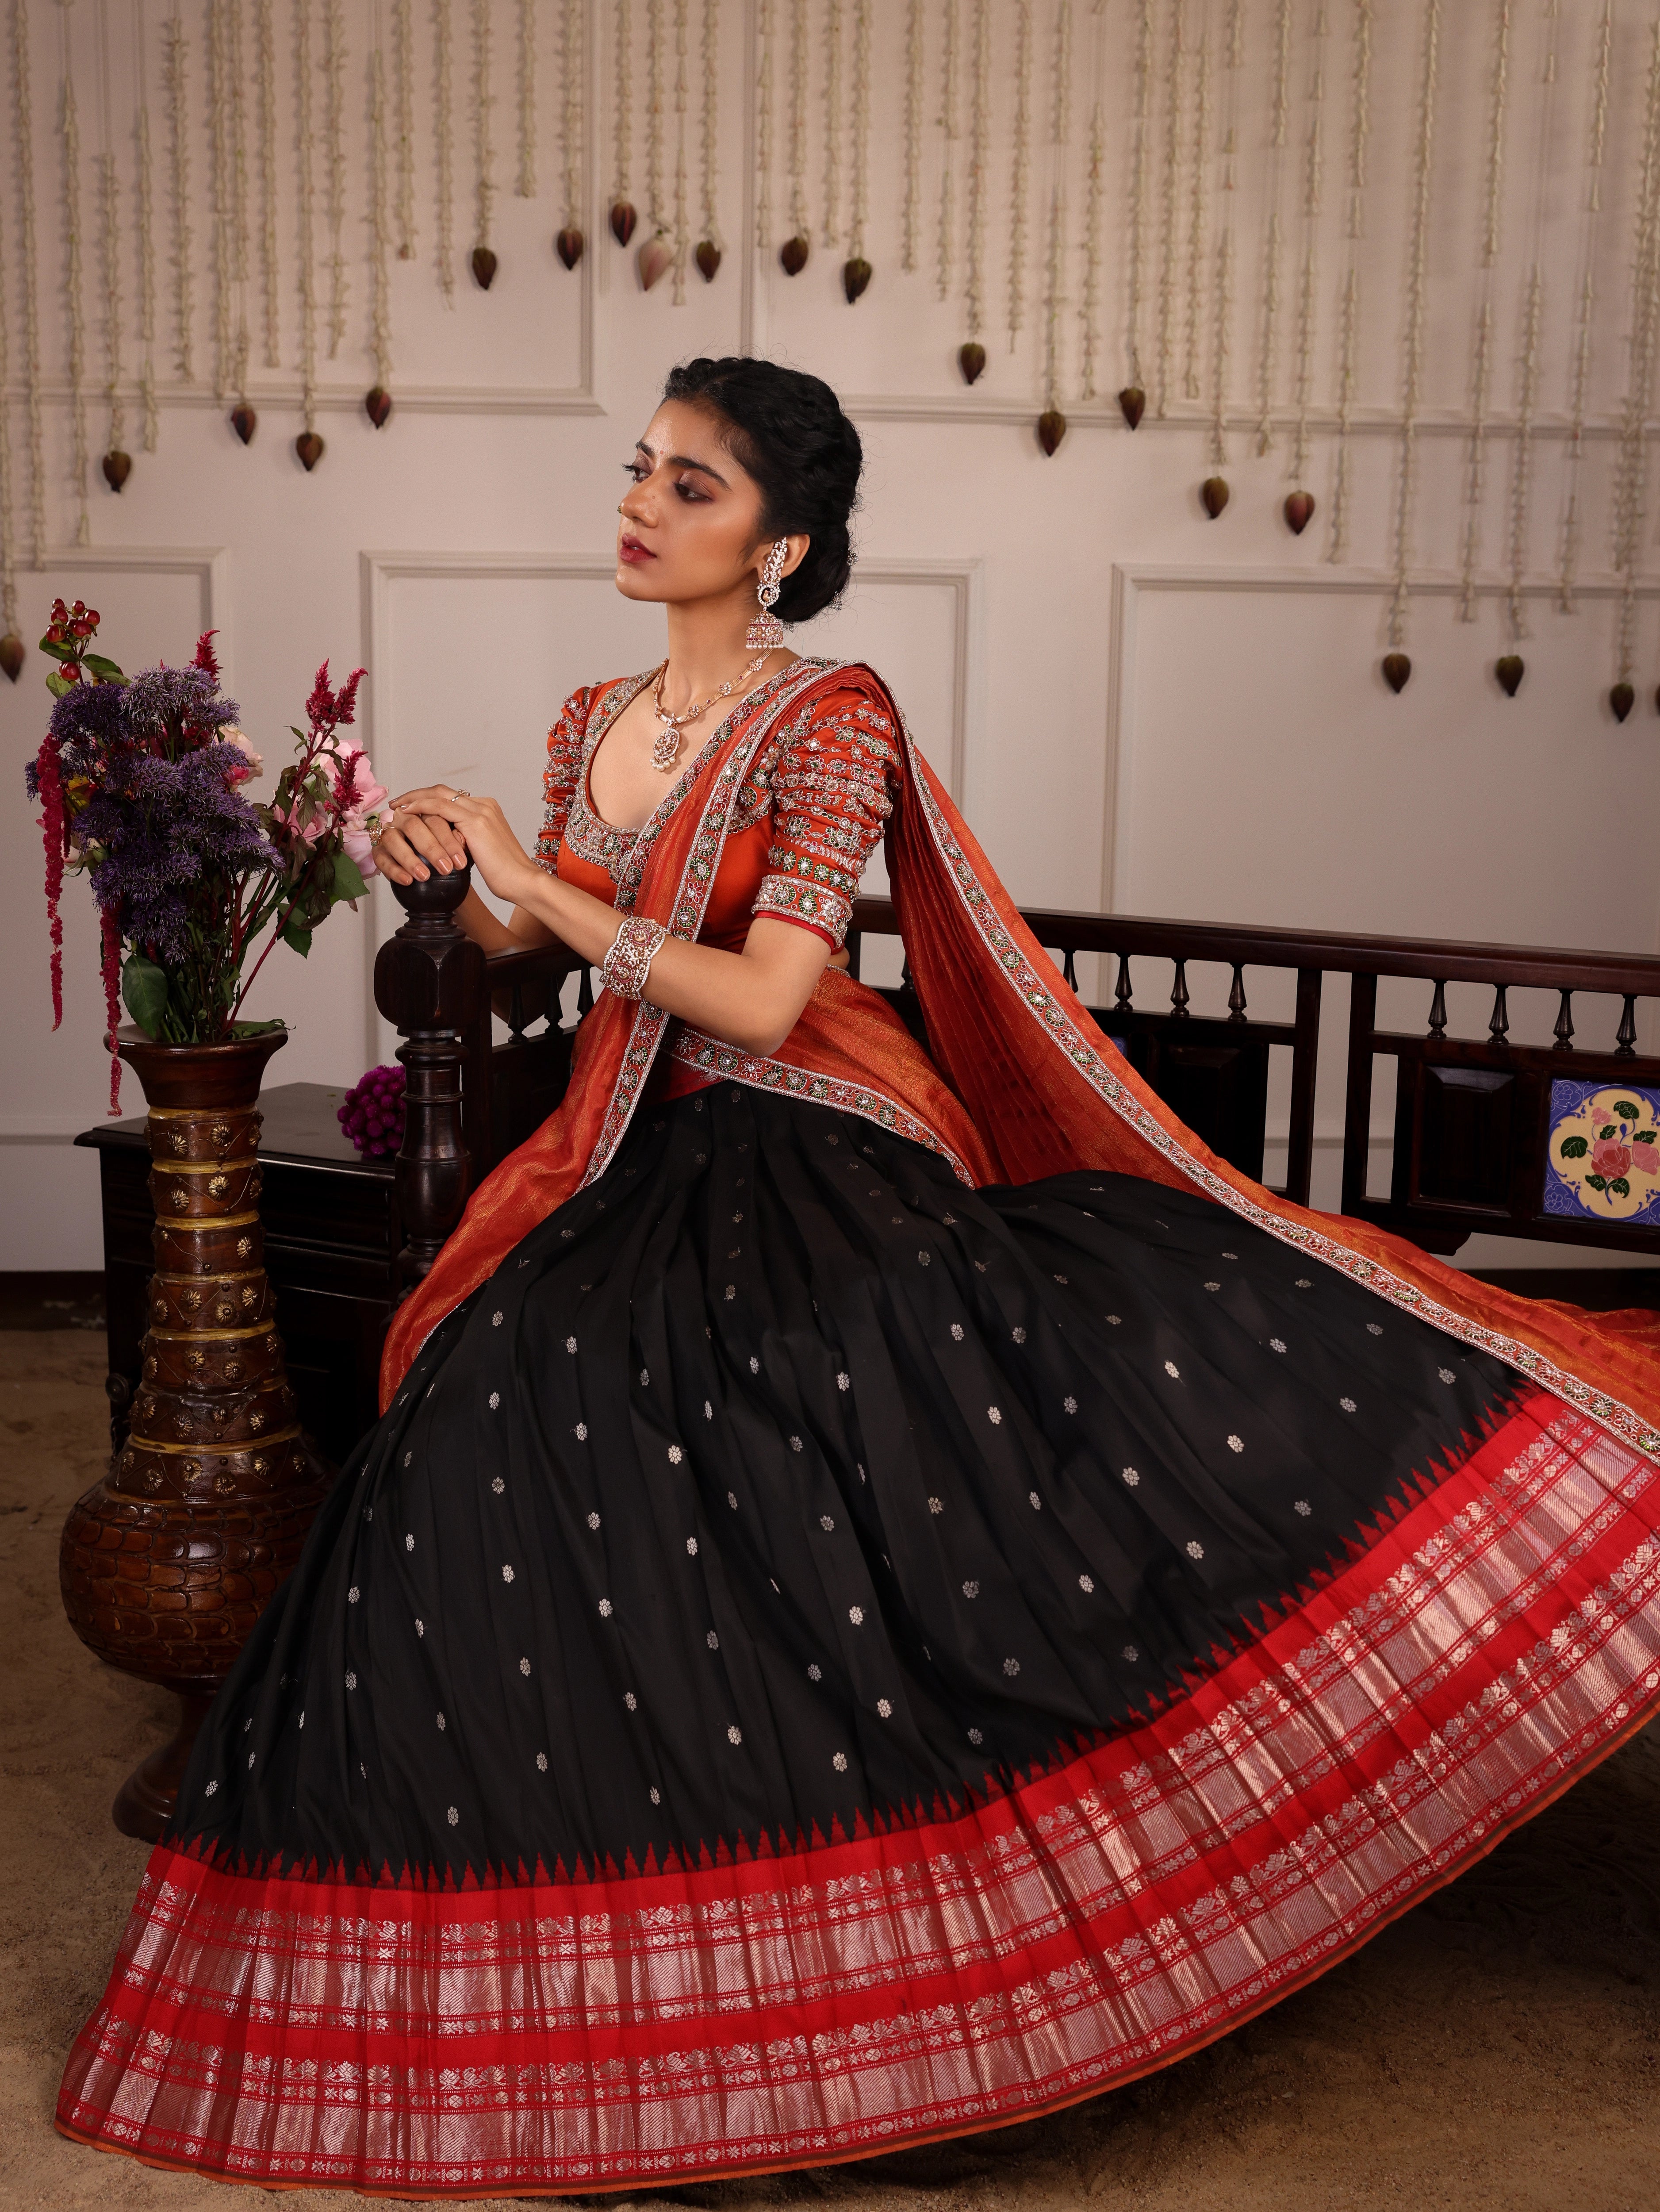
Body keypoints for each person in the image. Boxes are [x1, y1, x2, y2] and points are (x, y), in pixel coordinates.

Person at [59, 357, 1660, 2198]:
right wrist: (452, 862)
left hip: (812, 1128)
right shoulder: (601, 709)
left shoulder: (835, 717)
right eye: (643, 465)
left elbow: (754, 991)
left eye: (696, 485)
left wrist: (544, 887)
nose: (646, 502)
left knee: (842, 1372)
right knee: (504, 1397)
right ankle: (606, 1970)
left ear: (786, 540)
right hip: (639, 1138)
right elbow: (534, 924)